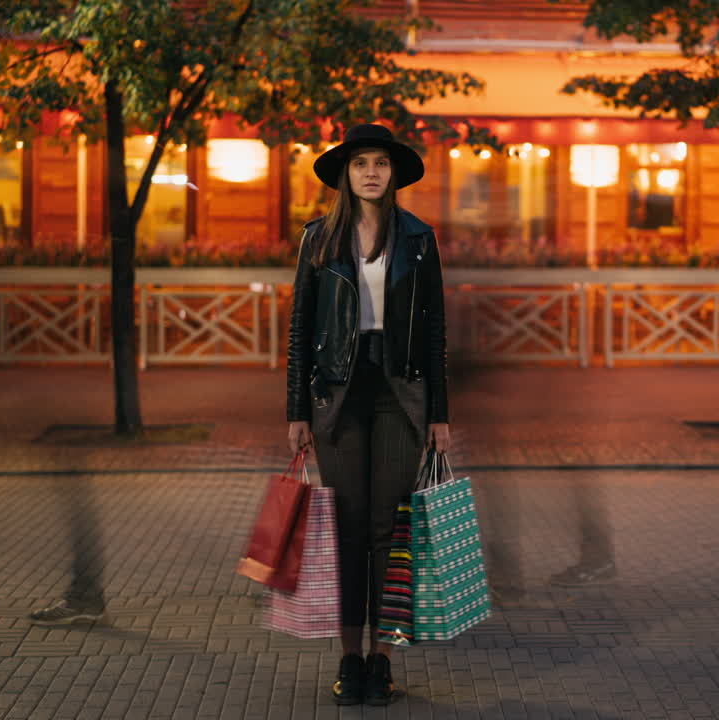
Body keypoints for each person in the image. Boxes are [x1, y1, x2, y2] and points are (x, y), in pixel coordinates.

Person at [286, 123, 451, 707]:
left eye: (381, 163)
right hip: (338, 396)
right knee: (349, 531)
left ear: (393, 174)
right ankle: (349, 659)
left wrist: (439, 412)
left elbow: (434, 330)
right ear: (346, 175)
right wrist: (296, 409)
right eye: (361, 164)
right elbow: (300, 329)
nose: (372, 172)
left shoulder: (419, 239)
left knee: (390, 530)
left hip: (400, 396)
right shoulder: (318, 240)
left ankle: (382, 659)